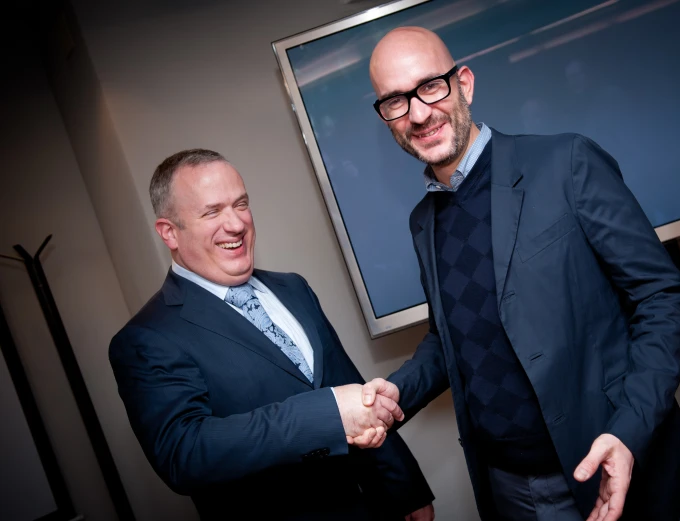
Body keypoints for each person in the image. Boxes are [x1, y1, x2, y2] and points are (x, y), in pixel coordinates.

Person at [361, 27, 680, 521]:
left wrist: (629, 432)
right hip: (511, 492)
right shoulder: (424, 223)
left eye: (430, 86)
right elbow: (451, 339)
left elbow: (663, 298)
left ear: (464, 83)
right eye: (395, 101)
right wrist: (400, 390)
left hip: (616, 462)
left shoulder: (566, 163)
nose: (417, 113)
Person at [108, 149, 435, 521]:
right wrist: (326, 415)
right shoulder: (147, 339)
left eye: (240, 204)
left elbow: (351, 392)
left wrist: (403, 489)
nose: (235, 224)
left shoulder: (293, 288)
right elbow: (184, 454)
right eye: (212, 212)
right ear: (170, 232)